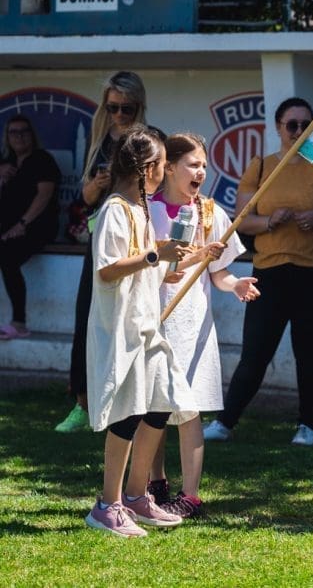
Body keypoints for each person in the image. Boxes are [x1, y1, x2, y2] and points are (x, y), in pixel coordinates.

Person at [203, 97, 313, 446]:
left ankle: (308, 426)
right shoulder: (260, 167)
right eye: (292, 125)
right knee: (255, 353)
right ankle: (225, 422)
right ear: (278, 127)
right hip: (268, 272)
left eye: (306, 124)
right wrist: (270, 221)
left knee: (309, 353)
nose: (299, 131)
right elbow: (241, 222)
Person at [84, 126, 197, 537]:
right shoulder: (115, 209)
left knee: (160, 403)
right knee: (128, 413)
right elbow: (108, 269)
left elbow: (149, 268)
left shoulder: (141, 208)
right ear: (147, 168)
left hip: (148, 325)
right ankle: (106, 505)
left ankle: (135, 496)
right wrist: (155, 254)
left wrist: (173, 263)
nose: (165, 171)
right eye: (162, 164)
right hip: (122, 329)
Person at [147, 133, 259, 517]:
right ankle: (155, 483)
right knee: (153, 405)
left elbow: (219, 272)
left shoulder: (210, 213)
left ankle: (191, 495)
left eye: (204, 166)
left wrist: (235, 285)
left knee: (188, 406)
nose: (200, 172)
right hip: (155, 316)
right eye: (193, 164)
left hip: (192, 322)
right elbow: (149, 267)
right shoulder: (147, 211)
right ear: (169, 167)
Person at [57, 71, 148, 433]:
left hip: (138, 239)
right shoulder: (98, 140)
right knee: (87, 317)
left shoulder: (149, 140)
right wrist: (97, 185)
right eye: (113, 107)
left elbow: (157, 190)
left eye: (127, 108)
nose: (120, 115)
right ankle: (81, 402)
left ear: (139, 106)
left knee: (134, 321)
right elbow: (84, 198)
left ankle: (134, 403)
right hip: (101, 239)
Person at [0, 115, 61, 340]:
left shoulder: (42, 160)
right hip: (8, 228)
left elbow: (44, 195)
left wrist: (22, 224)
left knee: (6, 256)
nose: (19, 136)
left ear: (32, 135)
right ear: (7, 137)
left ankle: (19, 323)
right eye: (13, 132)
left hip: (37, 227)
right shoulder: (6, 163)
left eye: (24, 131)